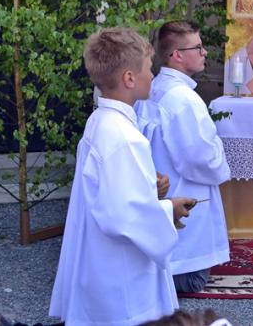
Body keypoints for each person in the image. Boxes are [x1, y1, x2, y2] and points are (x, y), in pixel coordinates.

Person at [50, 27, 195, 326]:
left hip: (98, 257)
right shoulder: (125, 138)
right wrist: (169, 208)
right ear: (129, 78)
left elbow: (108, 193)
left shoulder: (100, 120)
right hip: (121, 270)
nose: (153, 75)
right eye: (149, 68)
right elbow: (123, 215)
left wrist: (149, 188)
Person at [136, 21, 231, 293]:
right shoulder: (184, 99)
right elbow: (201, 160)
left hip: (163, 193)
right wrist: (219, 148)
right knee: (192, 279)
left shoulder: (154, 87)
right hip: (183, 197)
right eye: (197, 47)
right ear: (177, 54)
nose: (205, 52)